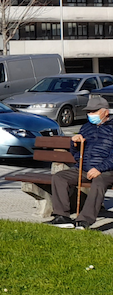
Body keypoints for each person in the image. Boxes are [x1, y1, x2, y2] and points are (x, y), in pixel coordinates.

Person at [49, 94, 113, 229]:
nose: (90, 114)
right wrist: (74, 143)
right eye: (88, 112)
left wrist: (99, 169)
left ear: (105, 112)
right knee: (59, 177)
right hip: (84, 169)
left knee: (99, 181)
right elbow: (77, 155)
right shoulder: (86, 128)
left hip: (107, 170)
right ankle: (62, 216)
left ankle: (84, 220)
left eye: (93, 111)